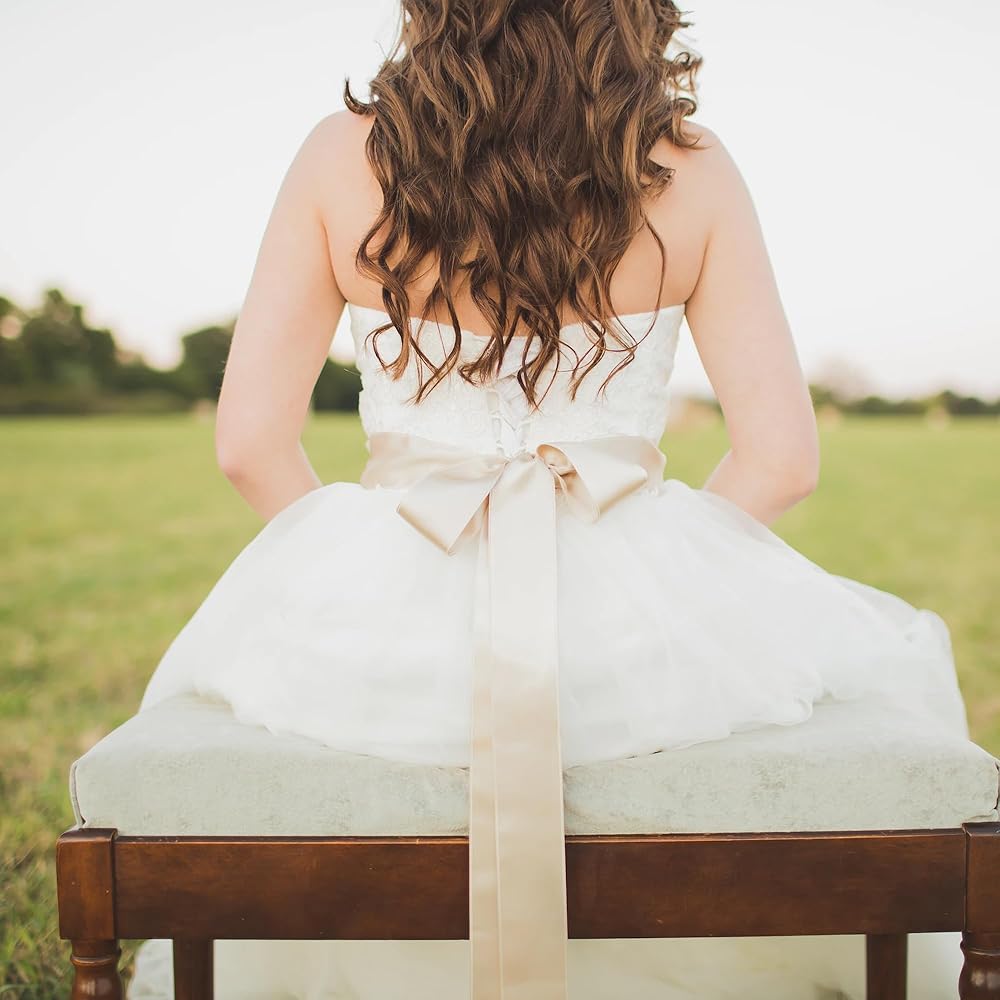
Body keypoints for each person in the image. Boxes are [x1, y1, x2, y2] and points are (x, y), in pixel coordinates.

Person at [126, 2, 971, 997]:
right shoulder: (693, 169)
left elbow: (249, 446)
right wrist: (677, 597)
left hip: (391, 649)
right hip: (623, 661)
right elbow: (781, 461)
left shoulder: (336, 157)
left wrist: (350, 584)